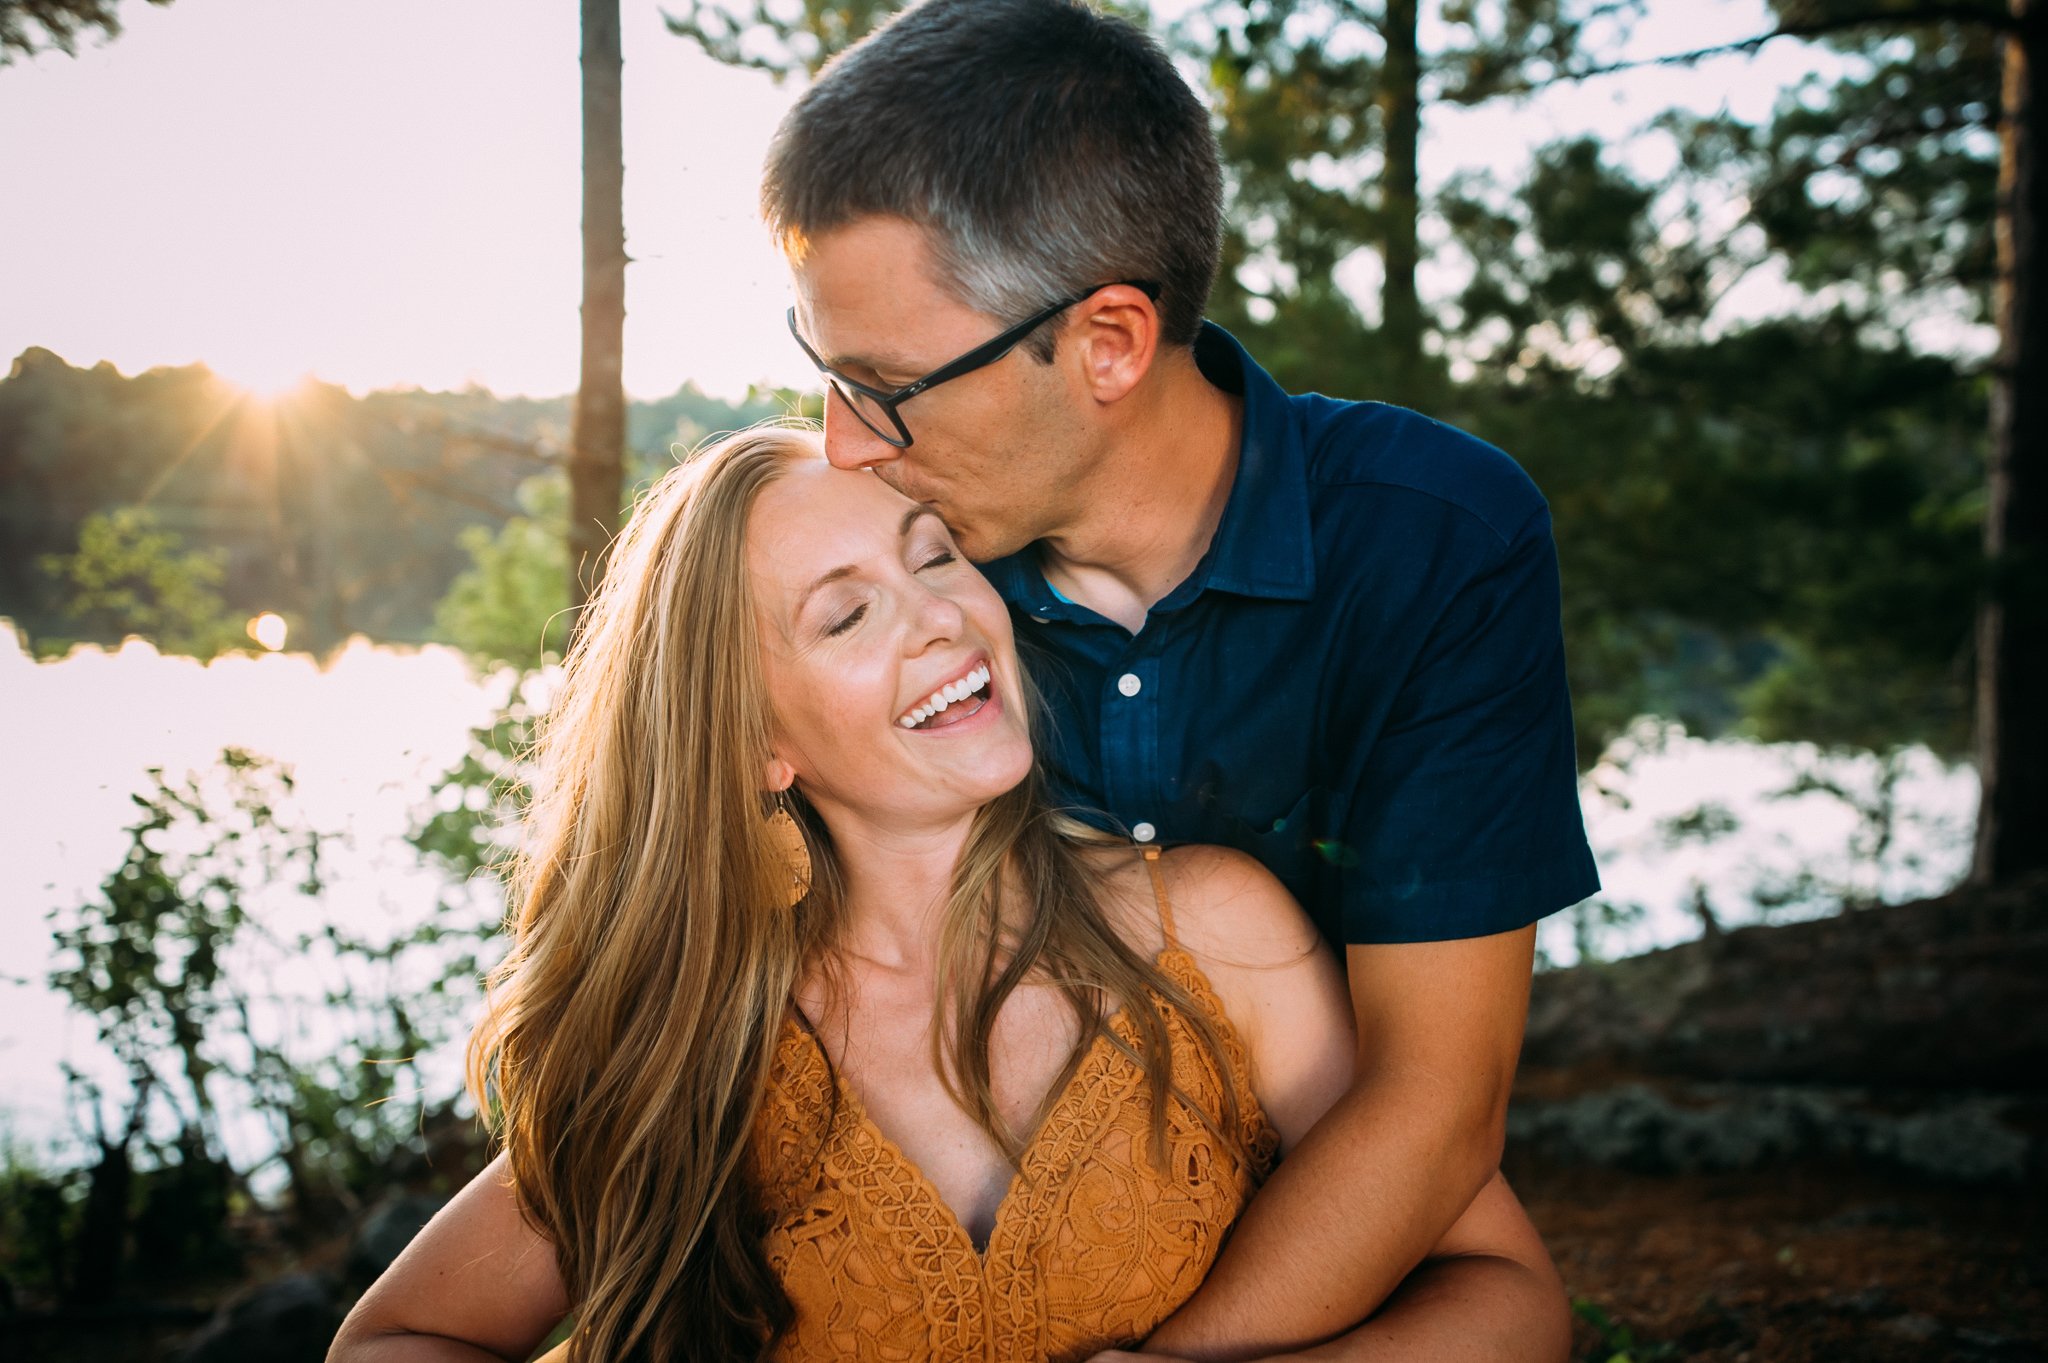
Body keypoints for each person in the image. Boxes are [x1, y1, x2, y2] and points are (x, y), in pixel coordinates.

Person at [328, 428, 1569, 1362]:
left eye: (934, 557)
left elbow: (1506, 1297)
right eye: (848, 614)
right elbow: (396, 1340)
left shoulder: (1211, 928)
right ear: (759, 744)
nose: (940, 618)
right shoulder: (702, 1036)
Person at [764, 2, 1601, 1356]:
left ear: (1108, 340)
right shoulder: (928, 618)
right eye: (823, 370)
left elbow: (1436, 1100)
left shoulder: (1433, 539)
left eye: (888, 385)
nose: (844, 445)